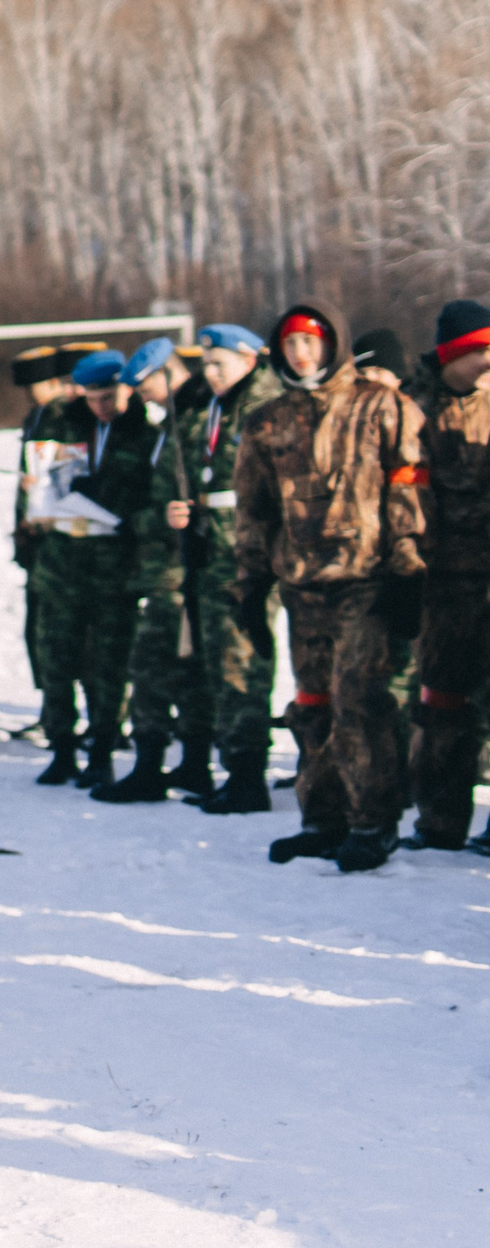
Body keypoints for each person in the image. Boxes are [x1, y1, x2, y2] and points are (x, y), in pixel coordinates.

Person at [233, 302, 429, 872]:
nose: (301, 353)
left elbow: (407, 487)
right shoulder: (268, 421)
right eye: (291, 343)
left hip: (365, 581)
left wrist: (408, 567)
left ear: (333, 344)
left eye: (311, 342)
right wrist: (250, 584)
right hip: (302, 587)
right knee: (311, 703)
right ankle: (323, 818)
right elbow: (255, 509)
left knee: (358, 702)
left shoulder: (380, 407)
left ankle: (373, 820)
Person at [171, 324, 285, 814]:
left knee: (244, 662)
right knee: (218, 662)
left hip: (248, 555)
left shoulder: (265, 404)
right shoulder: (215, 406)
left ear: (248, 358)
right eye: (206, 365)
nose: (211, 374)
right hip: (212, 551)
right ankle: (230, 764)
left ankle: (247, 774)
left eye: (219, 363)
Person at [95, 337, 215, 802]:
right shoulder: (178, 422)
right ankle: (191, 765)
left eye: (144, 385)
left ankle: (154, 767)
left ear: (169, 373)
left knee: (150, 667)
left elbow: (178, 505)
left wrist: (143, 522)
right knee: (183, 669)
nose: (139, 395)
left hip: (176, 570)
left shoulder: (192, 422)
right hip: (168, 567)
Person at [30, 351, 149, 787]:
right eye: (95, 397)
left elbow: (148, 495)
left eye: (110, 396)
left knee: (109, 661)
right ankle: (61, 747)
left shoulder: (143, 432)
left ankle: (102, 747)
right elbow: (38, 480)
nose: (103, 406)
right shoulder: (60, 425)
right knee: (56, 656)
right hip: (62, 559)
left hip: (113, 564)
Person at [405, 302, 490, 850]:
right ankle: (439, 820)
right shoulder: (413, 411)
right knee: (441, 705)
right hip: (439, 586)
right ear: (452, 354)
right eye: (480, 350)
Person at [8, 346, 73, 737]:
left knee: (54, 630)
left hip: (57, 540)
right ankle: (50, 706)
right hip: (35, 538)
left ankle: (60, 712)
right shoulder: (36, 417)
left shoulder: (61, 418)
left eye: (36, 388)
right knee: (37, 628)